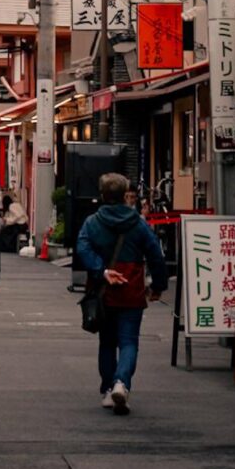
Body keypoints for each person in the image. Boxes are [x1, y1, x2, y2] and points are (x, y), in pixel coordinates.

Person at [75, 171, 168, 415]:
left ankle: (108, 389)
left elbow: (82, 248)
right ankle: (122, 383)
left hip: (104, 289)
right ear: (125, 195)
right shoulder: (138, 223)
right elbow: (156, 255)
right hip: (131, 287)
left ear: (103, 195)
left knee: (106, 342)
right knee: (128, 342)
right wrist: (158, 286)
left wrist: (102, 270)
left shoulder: (92, 222)